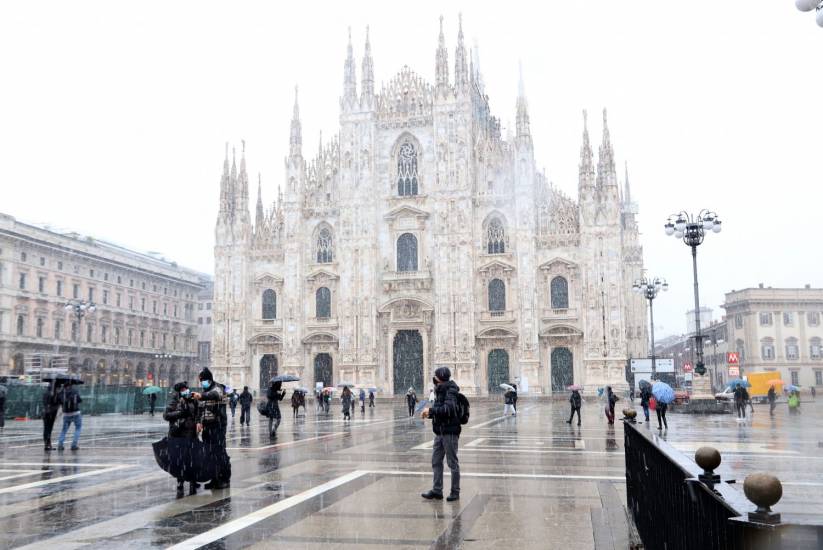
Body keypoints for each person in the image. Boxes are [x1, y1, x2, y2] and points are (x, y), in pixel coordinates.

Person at [421, 367, 461, 502]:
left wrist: (431, 411)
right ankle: (437, 490)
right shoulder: (440, 390)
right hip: (440, 432)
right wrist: (431, 414)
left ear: (440, 377)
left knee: (452, 462)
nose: (434, 378)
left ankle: (455, 491)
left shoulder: (451, 390)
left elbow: (448, 410)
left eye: (436, 376)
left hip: (449, 432)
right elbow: (441, 411)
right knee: (436, 461)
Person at [194, 368, 231, 489]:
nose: (201, 383)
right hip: (207, 427)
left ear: (208, 379)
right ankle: (214, 478)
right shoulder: (205, 390)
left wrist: (202, 395)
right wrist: (199, 422)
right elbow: (200, 409)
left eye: (203, 380)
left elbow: (216, 395)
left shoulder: (218, 388)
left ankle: (224, 478)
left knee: (219, 452)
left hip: (218, 425)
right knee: (209, 453)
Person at [163, 382, 199, 498]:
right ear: (179, 391)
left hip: (191, 434)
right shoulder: (174, 401)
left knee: (192, 460)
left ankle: (193, 483)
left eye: (186, 389)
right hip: (178, 435)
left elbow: (198, 413)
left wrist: (198, 422)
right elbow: (166, 415)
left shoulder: (193, 400)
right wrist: (180, 413)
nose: (186, 391)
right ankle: (180, 483)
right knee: (180, 461)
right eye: (183, 389)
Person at [57, 383, 83, 451]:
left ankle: (60, 444)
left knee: (64, 430)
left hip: (66, 414)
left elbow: (59, 402)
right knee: (78, 428)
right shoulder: (74, 391)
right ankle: (74, 445)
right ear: (71, 385)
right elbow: (80, 400)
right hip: (76, 413)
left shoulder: (61, 393)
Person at [42, 383, 61, 451]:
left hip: (45, 412)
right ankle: (48, 444)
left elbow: (44, 402)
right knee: (49, 429)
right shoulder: (55, 394)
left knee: (46, 429)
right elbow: (59, 402)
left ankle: (47, 444)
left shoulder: (45, 393)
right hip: (52, 413)